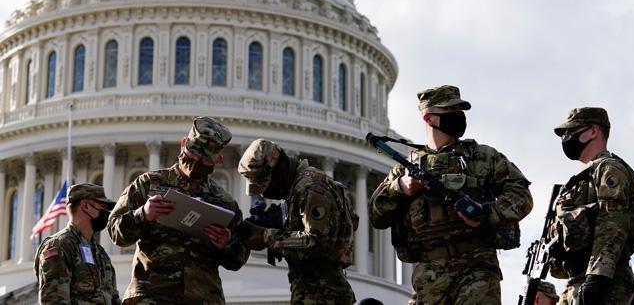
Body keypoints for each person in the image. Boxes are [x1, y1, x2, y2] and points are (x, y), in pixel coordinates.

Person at [369, 85, 533, 305]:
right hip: (428, 274)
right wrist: (400, 187)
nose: (458, 117)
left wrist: (488, 213)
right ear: (429, 118)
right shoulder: (405, 168)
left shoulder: (482, 157)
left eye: (460, 111)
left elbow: (521, 194)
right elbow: (376, 215)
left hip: (477, 267)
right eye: (450, 111)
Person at [108, 116, 249, 304]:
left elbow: (238, 258)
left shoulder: (224, 203)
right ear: (184, 143)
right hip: (152, 295)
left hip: (204, 297)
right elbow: (114, 231)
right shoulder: (148, 184)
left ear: (218, 160)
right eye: (194, 152)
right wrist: (143, 215)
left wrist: (226, 243)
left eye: (204, 158)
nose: (196, 160)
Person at [237, 139, 357, 304]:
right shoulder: (297, 188)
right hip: (311, 290)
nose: (265, 194)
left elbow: (319, 241)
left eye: (265, 184)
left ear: (281, 169)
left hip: (324, 294)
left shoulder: (310, 187)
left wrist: (267, 237)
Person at [548, 107, 634, 305]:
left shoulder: (609, 168)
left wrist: (598, 276)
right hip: (577, 279)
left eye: (570, 132)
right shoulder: (582, 179)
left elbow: (613, 222)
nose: (565, 138)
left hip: (605, 281)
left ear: (593, 131)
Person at [35, 183, 121, 304]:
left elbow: (113, 298)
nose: (107, 213)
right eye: (103, 206)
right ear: (85, 205)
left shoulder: (100, 254)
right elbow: (55, 300)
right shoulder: (59, 246)